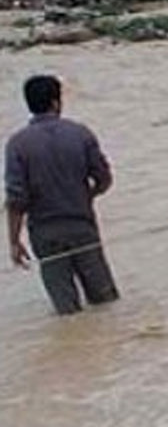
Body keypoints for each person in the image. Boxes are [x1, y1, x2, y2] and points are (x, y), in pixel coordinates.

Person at [5, 74, 120, 315]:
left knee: (67, 311)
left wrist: (14, 241)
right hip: (82, 226)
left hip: (45, 234)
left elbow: (16, 200)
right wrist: (86, 196)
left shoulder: (17, 144)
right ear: (56, 102)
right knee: (106, 302)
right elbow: (104, 178)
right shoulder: (80, 133)